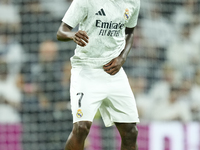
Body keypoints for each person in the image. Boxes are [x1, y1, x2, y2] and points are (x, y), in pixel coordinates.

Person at [57, 0, 140, 149]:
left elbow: (130, 32)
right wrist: (72, 35)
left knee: (131, 131)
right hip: (86, 70)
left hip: (114, 72)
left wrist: (122, 57)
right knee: (81, 128)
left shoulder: (133, 2)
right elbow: (61, 31)